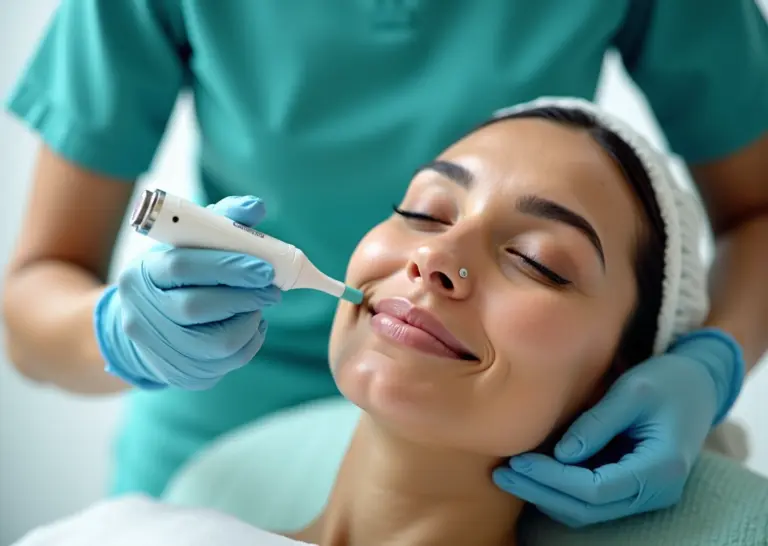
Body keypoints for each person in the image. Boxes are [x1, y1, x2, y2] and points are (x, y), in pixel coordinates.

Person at [2, 0, 767, 527]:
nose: (436, 256)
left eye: (538, 262)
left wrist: (711, 364)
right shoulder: (141, 530)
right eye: (424, 212)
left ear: (612, 372)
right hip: (207, 424)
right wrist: (117, 332)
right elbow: (36, 295)